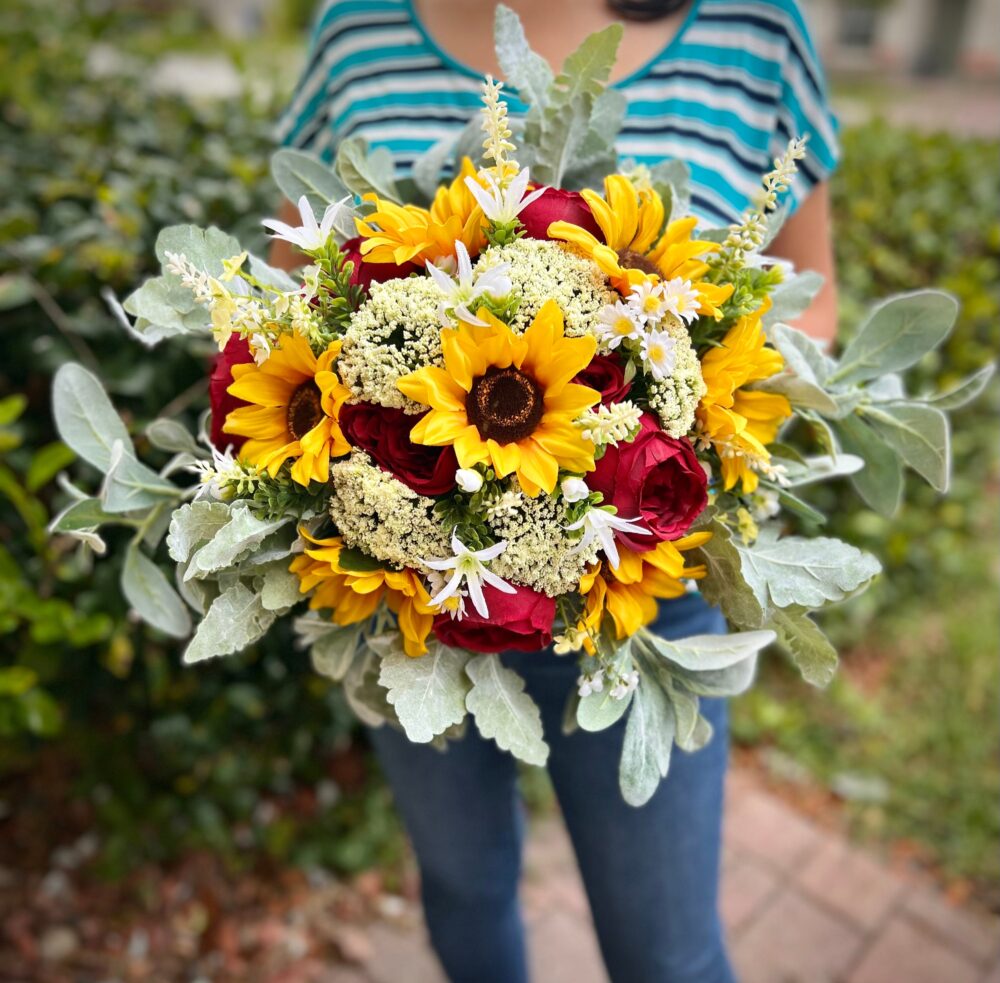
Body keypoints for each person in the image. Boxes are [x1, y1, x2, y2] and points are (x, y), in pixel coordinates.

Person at [270, 3, 840, 981]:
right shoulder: (355, 27)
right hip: (408, 607)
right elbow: (291, 296)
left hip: (647, 595)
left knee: (665, 950)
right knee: (460, 894)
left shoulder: (757, 30)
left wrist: (710, 407)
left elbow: (813, 290)